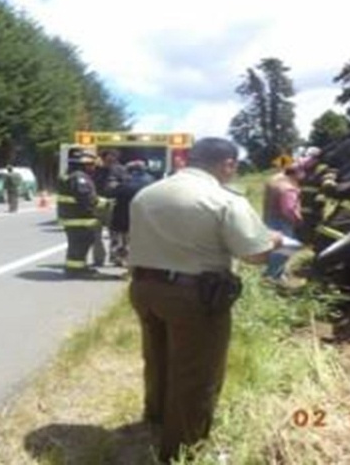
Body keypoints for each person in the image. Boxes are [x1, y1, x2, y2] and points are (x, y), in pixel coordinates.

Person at [128, 137, 281, 462]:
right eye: (233, 165)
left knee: (157, 357)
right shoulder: (223, 199)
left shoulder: (148, 192)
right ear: (227, 164)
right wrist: (274, 240)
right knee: (196, 373)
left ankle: (155, 420)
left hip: (144, 287)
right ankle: (183, 449)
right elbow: (255, 256)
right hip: (193, 295)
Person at [56, 150, 110, 277]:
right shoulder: (79, 177)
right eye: (91, 164)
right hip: (79, 218)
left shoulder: (70, 175)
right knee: (80, 244)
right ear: (84, 164)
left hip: (73, 217)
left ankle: (75, 268)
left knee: (76, 245)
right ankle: (76, 270)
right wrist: (104, 203)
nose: (93, 167)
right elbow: (86, 197)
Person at [108, 160, 156, 266]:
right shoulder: (151, 181)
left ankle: (119, 258)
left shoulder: (124, 181)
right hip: (144, 217)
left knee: (120, 239)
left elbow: (113, 194)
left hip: (121, 217)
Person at [262, 164, 303, 282]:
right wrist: (298, 220)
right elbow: (289, 209)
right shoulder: (288, 188)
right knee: (289, 246)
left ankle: (278, 274)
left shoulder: (275, 181)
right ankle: (271, 275)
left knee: (276, 246)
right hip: (282, 221)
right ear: (297, 174)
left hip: (270, 218)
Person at [92, 149, 127, 266]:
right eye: (107, 157)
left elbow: (125, 187)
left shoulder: (121, 170)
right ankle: (98, 259)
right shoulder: (96, 170)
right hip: (97, 206)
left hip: (114, 206)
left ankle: (116, 258)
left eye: (112, 157)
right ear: (103, 158)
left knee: (116, 235)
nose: (110, 160)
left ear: (116, 158)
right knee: (96, 235)